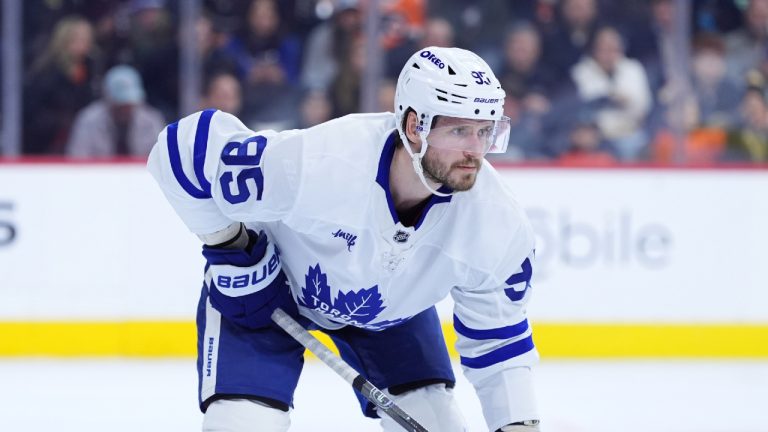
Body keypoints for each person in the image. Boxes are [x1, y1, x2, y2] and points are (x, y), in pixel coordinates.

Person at [148, 47, 540, 432]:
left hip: (390, 315)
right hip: (267, 294)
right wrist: (231, 249)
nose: (475, 151)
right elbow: (184, 149)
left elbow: (500, 345)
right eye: (459, 131)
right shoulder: (322, 162)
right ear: (414, 127)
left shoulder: (498, 224)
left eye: (485, 132)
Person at [67, 64, 165, 157]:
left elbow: (163, 158)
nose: (125, 109)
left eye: (129, 104)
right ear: (108, 99)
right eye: (120, 104)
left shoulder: (152, 120)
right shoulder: (88, 120)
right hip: (98, 169)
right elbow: (77, 159)